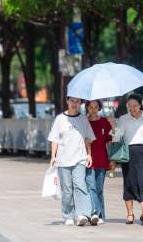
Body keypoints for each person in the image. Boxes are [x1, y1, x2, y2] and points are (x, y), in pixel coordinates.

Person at [108, 93, 143, 225]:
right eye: (130, 106)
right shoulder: (123, 119)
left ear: (140, 105)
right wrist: (113, 126)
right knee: (129, 182)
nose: (132, 108)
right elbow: (117, 138)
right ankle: (130, 214)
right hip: (128, 153)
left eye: (135, 106)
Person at [48, 96, 97, 226]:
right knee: (67, 189)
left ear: (80, 103)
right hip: (63, 160)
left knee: (80, 185)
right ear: (67, 101)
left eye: (77, 101)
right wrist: (53, 156)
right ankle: (68, 215)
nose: (75, 103)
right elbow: (54, 139)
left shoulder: (83, 119)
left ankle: (82, 214)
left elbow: (89, 138)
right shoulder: (60, 119)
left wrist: (89, 154)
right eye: (72, 101)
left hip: (80, 159)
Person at [85, 100, 112, 225]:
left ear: (99, 108)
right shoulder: (84, 122)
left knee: (99, 188)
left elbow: (110, 140)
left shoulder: (104, 122)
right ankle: (94, 212)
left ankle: (101, 215)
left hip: (102, 160)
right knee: (91, 187)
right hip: (88, 160)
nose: (93, 110)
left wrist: (113, 124)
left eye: (96, 107)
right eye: (91, 107)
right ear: (87, 108)